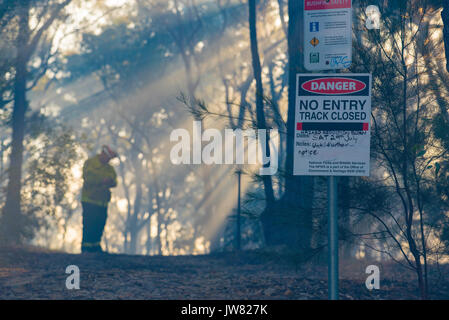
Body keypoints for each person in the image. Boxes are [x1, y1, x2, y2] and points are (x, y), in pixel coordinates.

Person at [81, 145, 118, 253]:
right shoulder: (90, 163)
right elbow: (87, 178)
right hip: (89, 199)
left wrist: (110, 181)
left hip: (103, 201)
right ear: (103, 154)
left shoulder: (109, 168)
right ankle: (86, 247)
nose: (109, 160)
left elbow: (115, 181)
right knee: (89, 223)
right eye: (108, 157)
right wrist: (102, 180)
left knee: (100, 224)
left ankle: (95, 246)